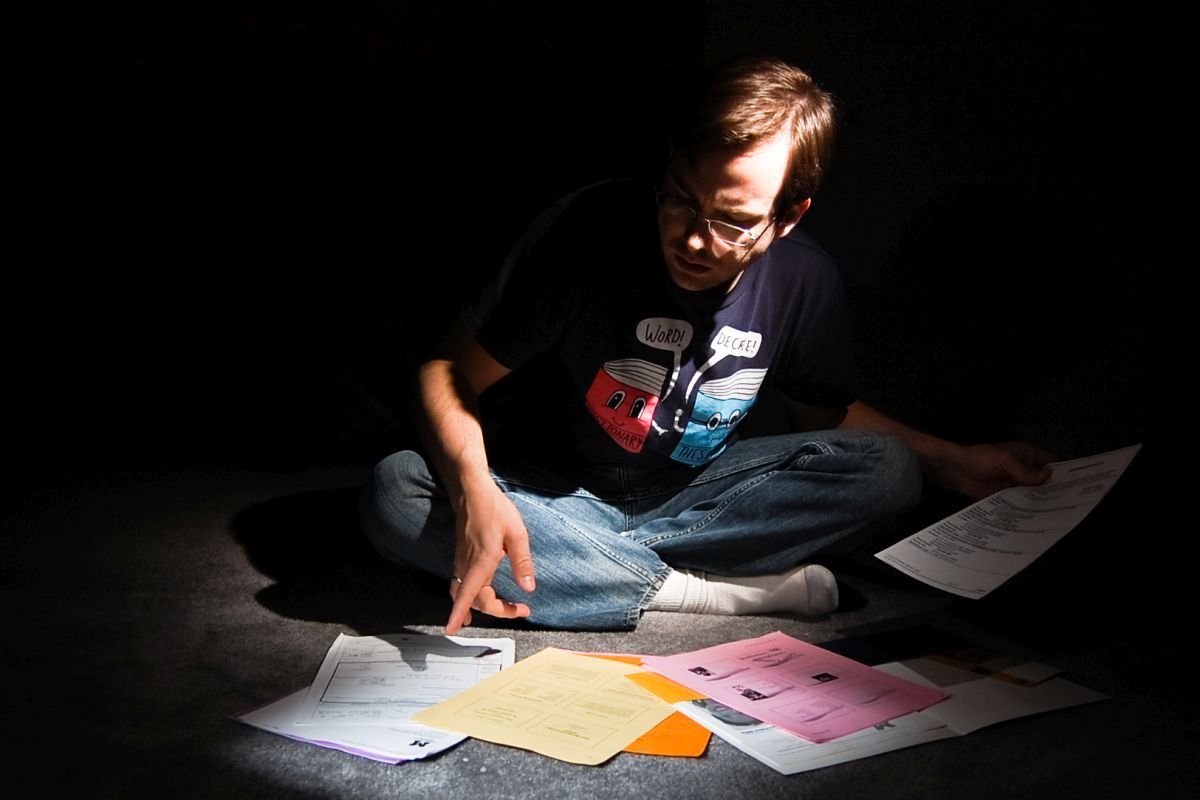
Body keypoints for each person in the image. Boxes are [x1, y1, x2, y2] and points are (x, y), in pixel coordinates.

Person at [359, 56, 1052, 634]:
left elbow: (825, 421)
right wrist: (475, 490)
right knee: (399, 490)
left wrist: (956, 464)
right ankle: (707, 594)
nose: (694, 238)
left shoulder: (805, 280)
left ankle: (581, 571)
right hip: (551, 492)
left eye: (732, 221)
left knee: (889, 471)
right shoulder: (587, 232)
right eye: (682, 200)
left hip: (693, 500)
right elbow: (448, 370)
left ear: (788, 216)